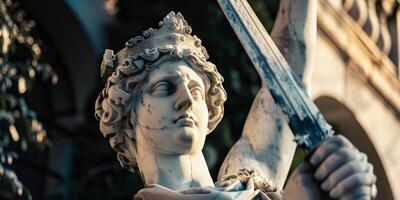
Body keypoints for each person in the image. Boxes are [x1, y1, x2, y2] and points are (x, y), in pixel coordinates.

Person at [95, 12, 376, 200]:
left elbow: (289, 67)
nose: (186, 100)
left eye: (196, 90)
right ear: (128, 116)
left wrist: (336, 178)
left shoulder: (247, 185)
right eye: (164, 88)